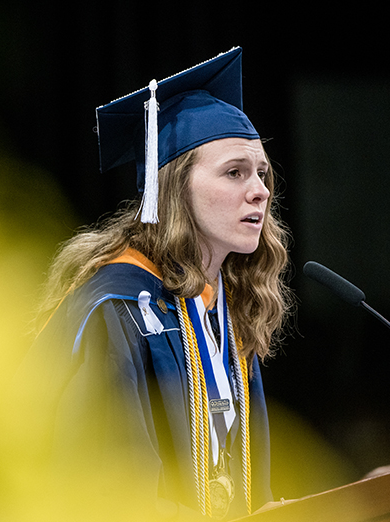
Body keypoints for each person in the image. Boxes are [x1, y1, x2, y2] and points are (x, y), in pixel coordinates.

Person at [22, 47, 293, 521]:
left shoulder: (225, 309)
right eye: (235, 172)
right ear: (173, 187)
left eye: (262, 173)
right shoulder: (115, 305)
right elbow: (103, 490)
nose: (261, 190)